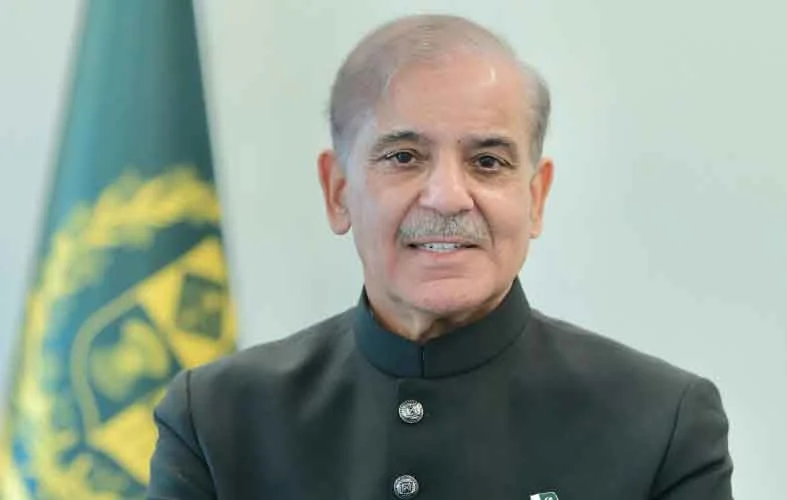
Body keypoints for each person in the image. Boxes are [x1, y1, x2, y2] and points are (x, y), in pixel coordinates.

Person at [147, 13, 733, 500]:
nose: (449, 197)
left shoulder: (661, 423)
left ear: (535, 198)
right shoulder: (217, 421)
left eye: (488, 162)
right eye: (404, 157)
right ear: (338, 191)